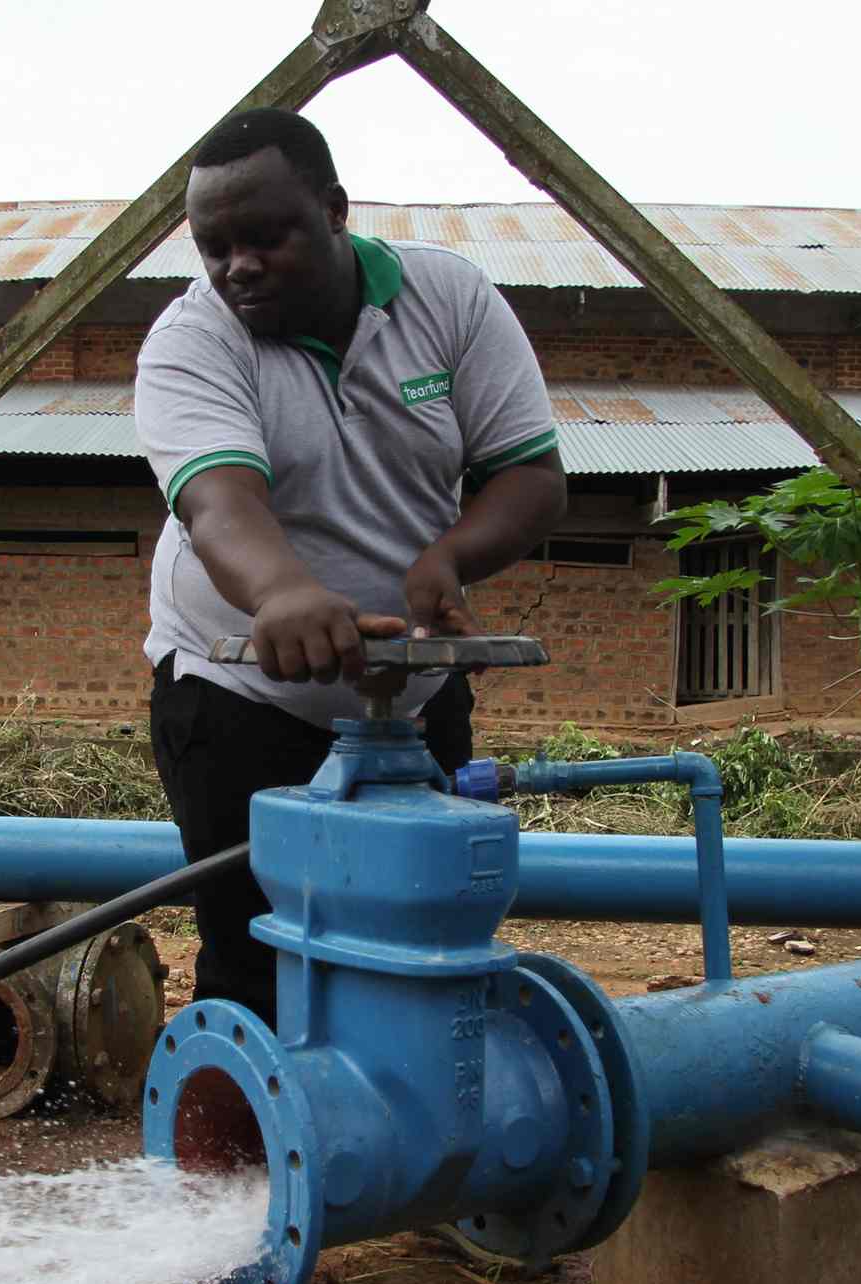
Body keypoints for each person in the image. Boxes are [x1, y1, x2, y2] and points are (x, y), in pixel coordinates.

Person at [137, 107, 566, 1031]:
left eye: (264, 237)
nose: (236, 266)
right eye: (214, 246)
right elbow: (220, 500)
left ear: (334, 210)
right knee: (256, 966)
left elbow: (531, 476)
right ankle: (249, 1167)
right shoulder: (191, 340)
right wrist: (283, 593)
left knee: (427, 947)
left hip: (411, 695)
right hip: (238, 696)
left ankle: (411, 1158)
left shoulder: (447, 300)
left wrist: (451, 555)